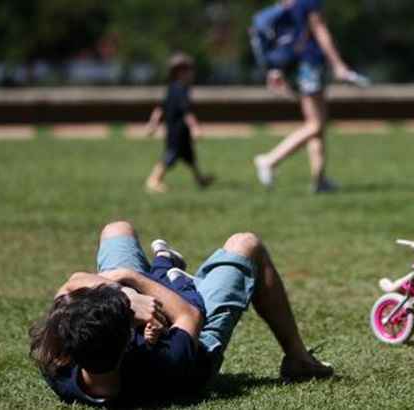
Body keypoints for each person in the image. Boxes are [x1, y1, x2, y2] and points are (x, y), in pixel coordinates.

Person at [29, 221, 333, 406]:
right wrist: (132, 281)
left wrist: (123, 297)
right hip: (197, 337)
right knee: (246, 244)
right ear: (128, 341)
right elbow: (187, 315)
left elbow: (72, 284)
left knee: (117, 230)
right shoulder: (164, 364)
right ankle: (298, 359)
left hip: (127, 322)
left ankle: (160, 269)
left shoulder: (58, 363)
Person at [251, 0, 363, 193]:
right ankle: (269, 160)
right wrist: (338, 65)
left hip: (296, 64)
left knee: (316, 124)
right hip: (310, 63)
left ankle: (319, 180)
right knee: (315, 125)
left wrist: (275, 70)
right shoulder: (309, 1)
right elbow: (319, 30)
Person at [144, 53, 213, 193]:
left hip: (180, 131)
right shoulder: (180, 90)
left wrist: (153, 123)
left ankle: (200, 179)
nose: (192, 74)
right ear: (180, 73)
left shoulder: (173, 88)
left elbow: (159, 108)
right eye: (190, 71)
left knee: (190, 156)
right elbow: (187, 112)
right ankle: (153, 180)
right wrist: (195, 128)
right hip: (177, 131)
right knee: (171, 155)